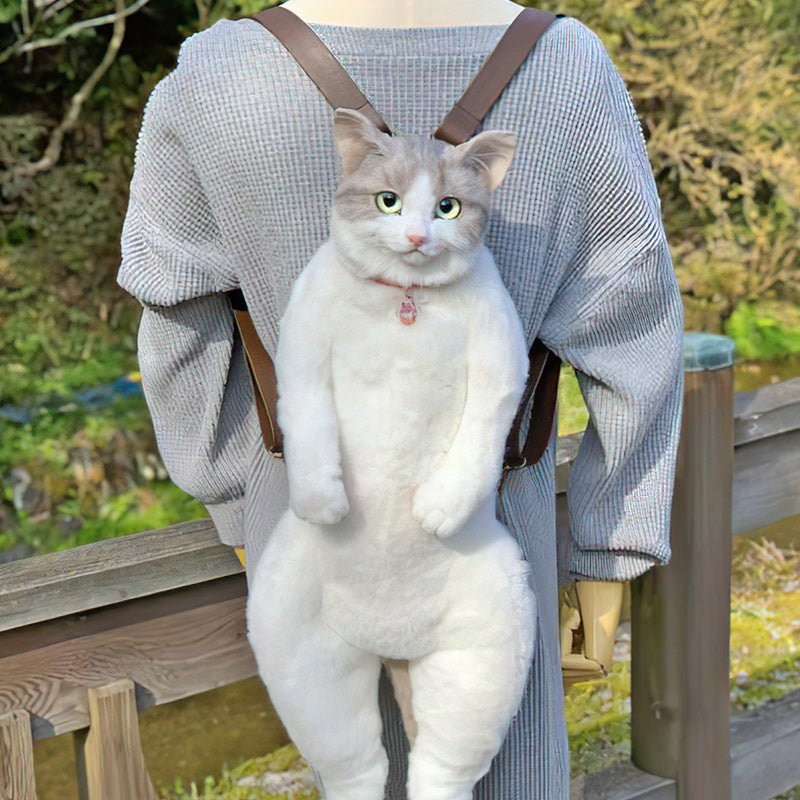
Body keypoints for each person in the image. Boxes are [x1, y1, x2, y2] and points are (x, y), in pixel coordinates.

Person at [118, 0, 684, 796]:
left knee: (349, 762)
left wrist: (236, 508)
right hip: (493, 531)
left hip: (303, 529)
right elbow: (633, 328)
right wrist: (607, 556)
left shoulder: (216, 74)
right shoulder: (569, 70)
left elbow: (176, 318)